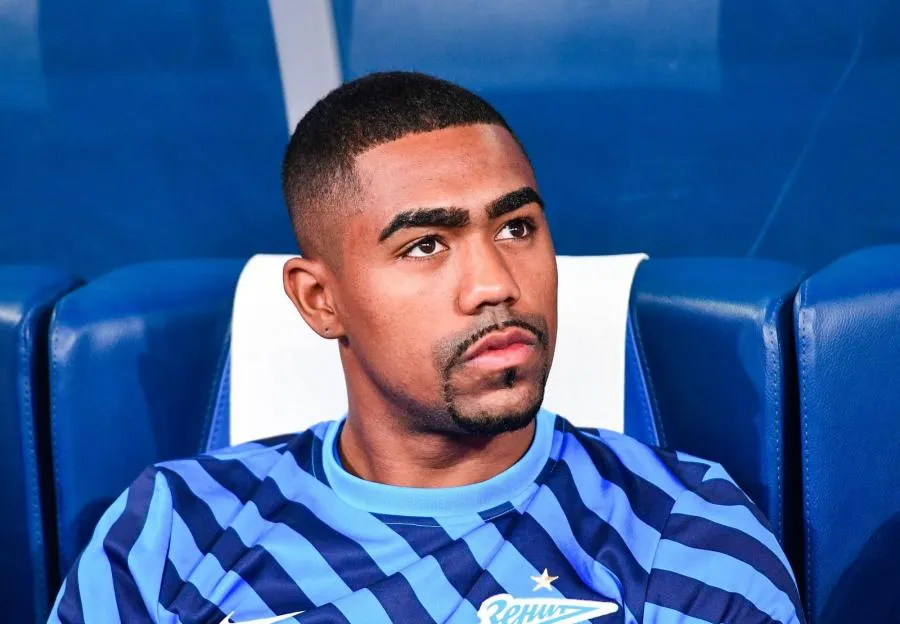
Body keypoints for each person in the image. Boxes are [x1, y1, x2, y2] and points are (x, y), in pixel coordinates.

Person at [49, 72, 805, 624]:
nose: (495, 283)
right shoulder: (173, 532)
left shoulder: (682, 533)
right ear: (319, 300)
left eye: (516, 228)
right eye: (425, 246)